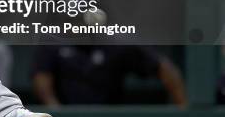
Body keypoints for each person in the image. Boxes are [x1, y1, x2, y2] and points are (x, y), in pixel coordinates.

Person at [32, 45, 187, 107]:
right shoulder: (53, 44)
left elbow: (166, 69)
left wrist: (183, 112)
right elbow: (42, 83)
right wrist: (58, 115)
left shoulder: (115, 43)